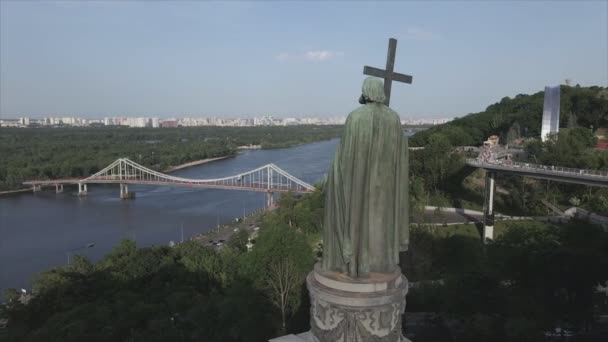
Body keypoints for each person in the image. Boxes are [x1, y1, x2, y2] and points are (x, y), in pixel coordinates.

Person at [322, 77, 409, 278]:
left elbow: (344, 158)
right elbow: (400, 157)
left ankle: (357, 263)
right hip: (385, 185)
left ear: (365, 91)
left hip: (359, 184)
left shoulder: (355, 117)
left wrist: (336, 179)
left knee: (358, 216)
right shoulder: (393, 118)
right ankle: (382, 261)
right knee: (381, 220)